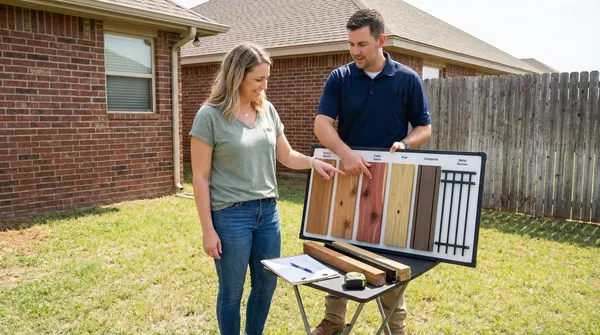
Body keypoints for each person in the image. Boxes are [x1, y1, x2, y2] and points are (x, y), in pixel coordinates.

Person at [189, 43, 342, 335]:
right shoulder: (209, 116)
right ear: (237, 76)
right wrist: (208, 230)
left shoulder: (267, 110)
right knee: (232, 292)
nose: (264, 85)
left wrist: (313, 162)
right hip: (230, 217)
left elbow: (285, 155)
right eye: (258, 79)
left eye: (266, 79)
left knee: (266, 286)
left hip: (268, 214)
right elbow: (200, 178)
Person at [312, 8, 432, 335]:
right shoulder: (339, 78)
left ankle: (396, 329)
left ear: (380, 40)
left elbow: (424, 127)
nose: (355, 51)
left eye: (362, 44)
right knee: (338, 252)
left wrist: (406, 144)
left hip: (391, 181)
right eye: (351, 44)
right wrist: (346, 155)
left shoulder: (407, 78)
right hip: (347, 178)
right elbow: (322, 125)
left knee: (389, 256)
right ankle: (333, 322)